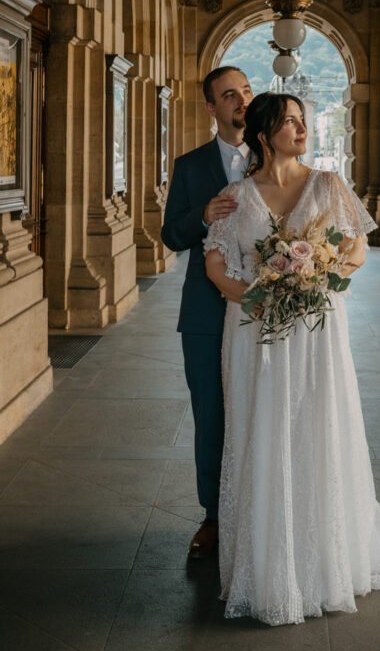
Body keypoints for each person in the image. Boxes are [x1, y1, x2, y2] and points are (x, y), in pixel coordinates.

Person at [204, 92, 380, 626]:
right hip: (254, 332)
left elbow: (354, 251)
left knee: (316, 426)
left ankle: (324, 560)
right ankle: (266, 564)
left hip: (315, 330)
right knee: (262, 431)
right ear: (264, 134)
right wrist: (263, 295)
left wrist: (313, 279)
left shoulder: (329, 186)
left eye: (303, 122)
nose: (301, 131)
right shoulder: (234, 197)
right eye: (290, 123)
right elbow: (217, 266)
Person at [160, 65, 253, 559]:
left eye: (246, 91)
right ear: (211, 107)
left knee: (262, 409)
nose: (241, 100)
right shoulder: (191, 165)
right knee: (210, 415)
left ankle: (262, 509)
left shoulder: (271, 157)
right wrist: (202, 217)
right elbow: (171, 235)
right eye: (229, 95)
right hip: (203, 312)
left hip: (262, 311)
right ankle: (215, 517)